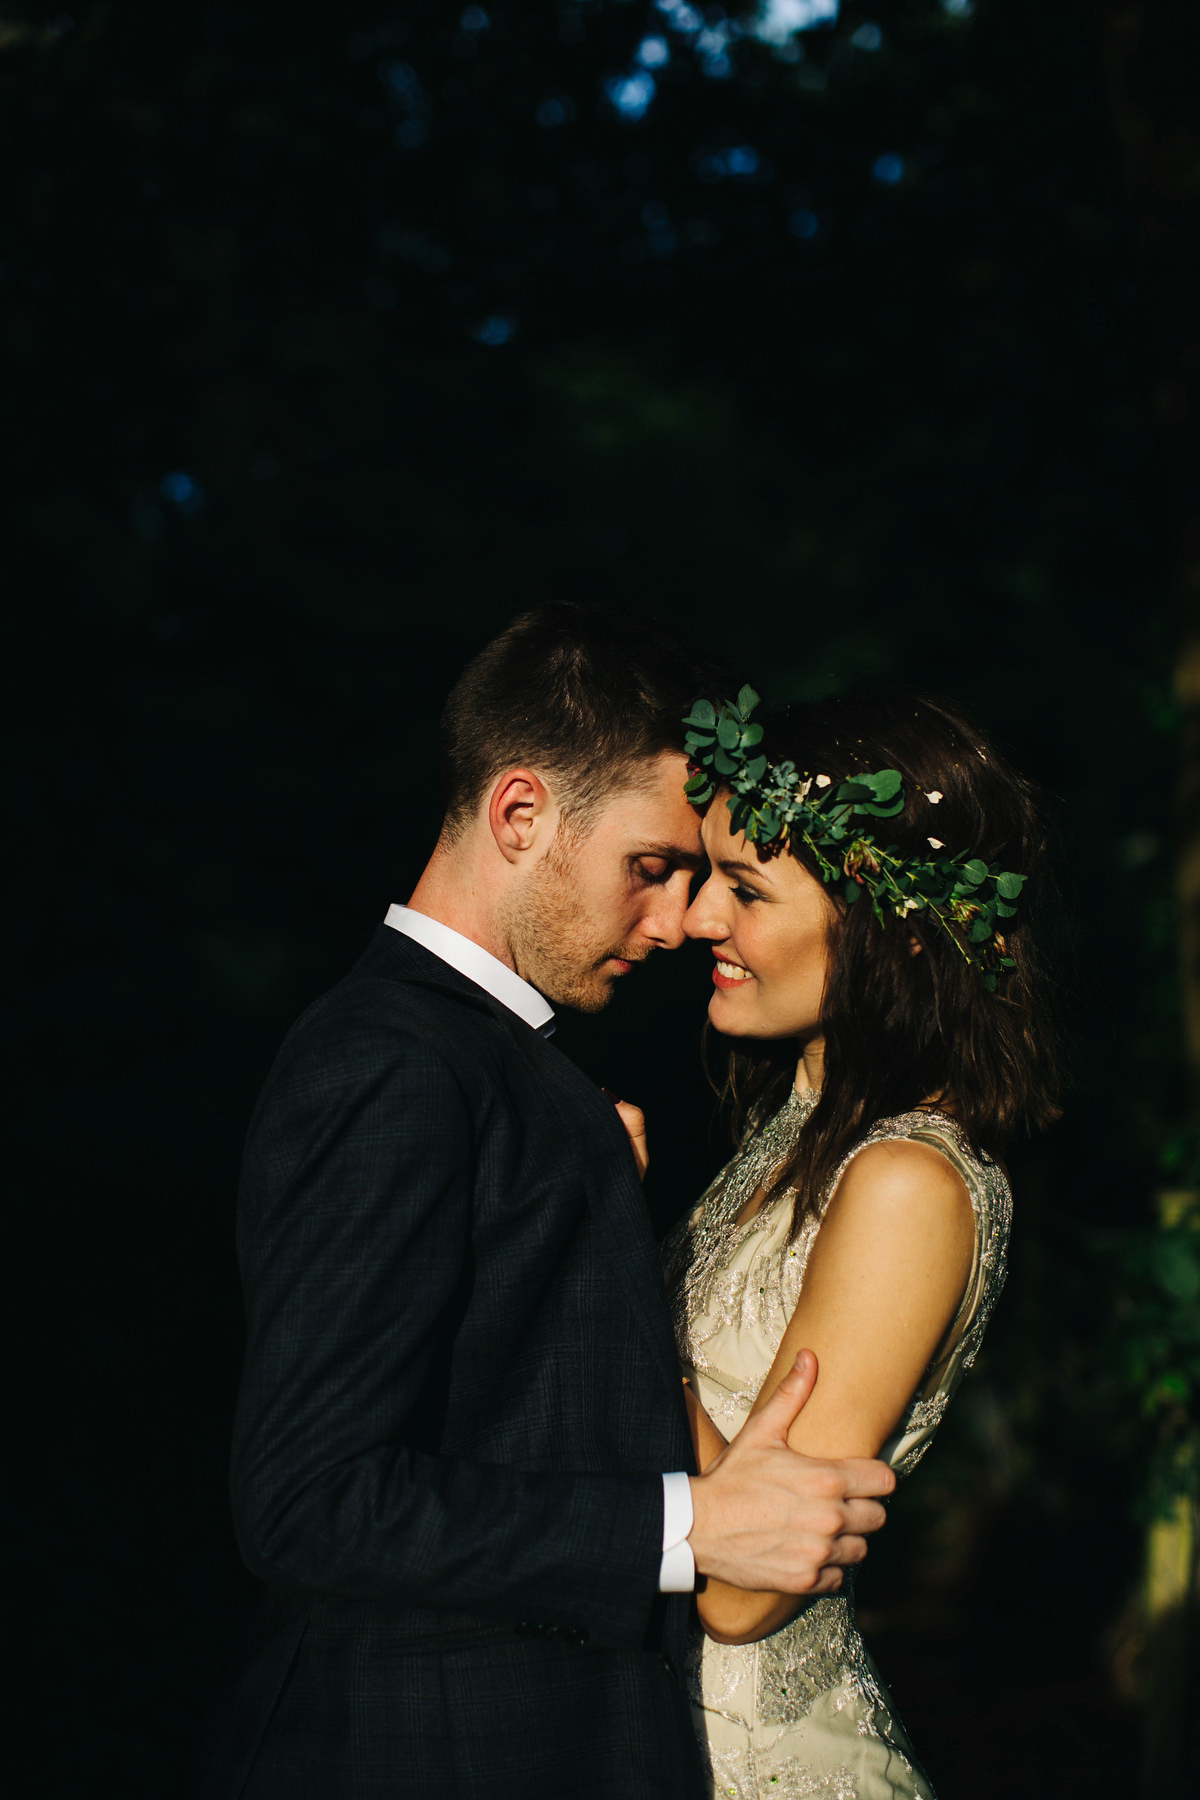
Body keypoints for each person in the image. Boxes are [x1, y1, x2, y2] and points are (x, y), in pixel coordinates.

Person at [191, 606, 896, 1800]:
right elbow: (309, 1501)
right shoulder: (393, 1062)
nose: (678, 924)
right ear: (521, 813)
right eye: (653, 868)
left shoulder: (503, 1062)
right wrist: (690, 1531)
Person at [663, 686, 1059, 1799]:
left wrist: (595, 1261)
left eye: (743, 888)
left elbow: (747, 1594)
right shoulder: (795, 1125)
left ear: (884, 924)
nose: (697, 918)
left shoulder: (906, 1185)